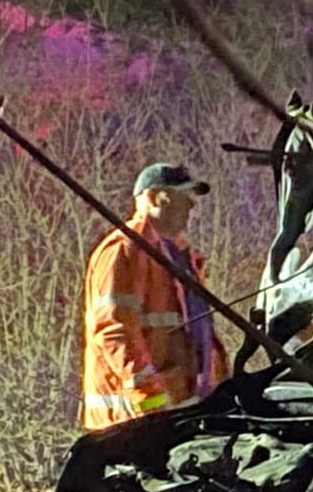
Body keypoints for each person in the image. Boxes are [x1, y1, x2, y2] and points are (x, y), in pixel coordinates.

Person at [80, 162, 227, 429]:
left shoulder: (181, 256)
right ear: (154, 198)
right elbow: (114, 332)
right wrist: (151, 402)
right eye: (183, 196)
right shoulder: (125, 250)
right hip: (134, 420)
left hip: (180, 408)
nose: (192, 207)